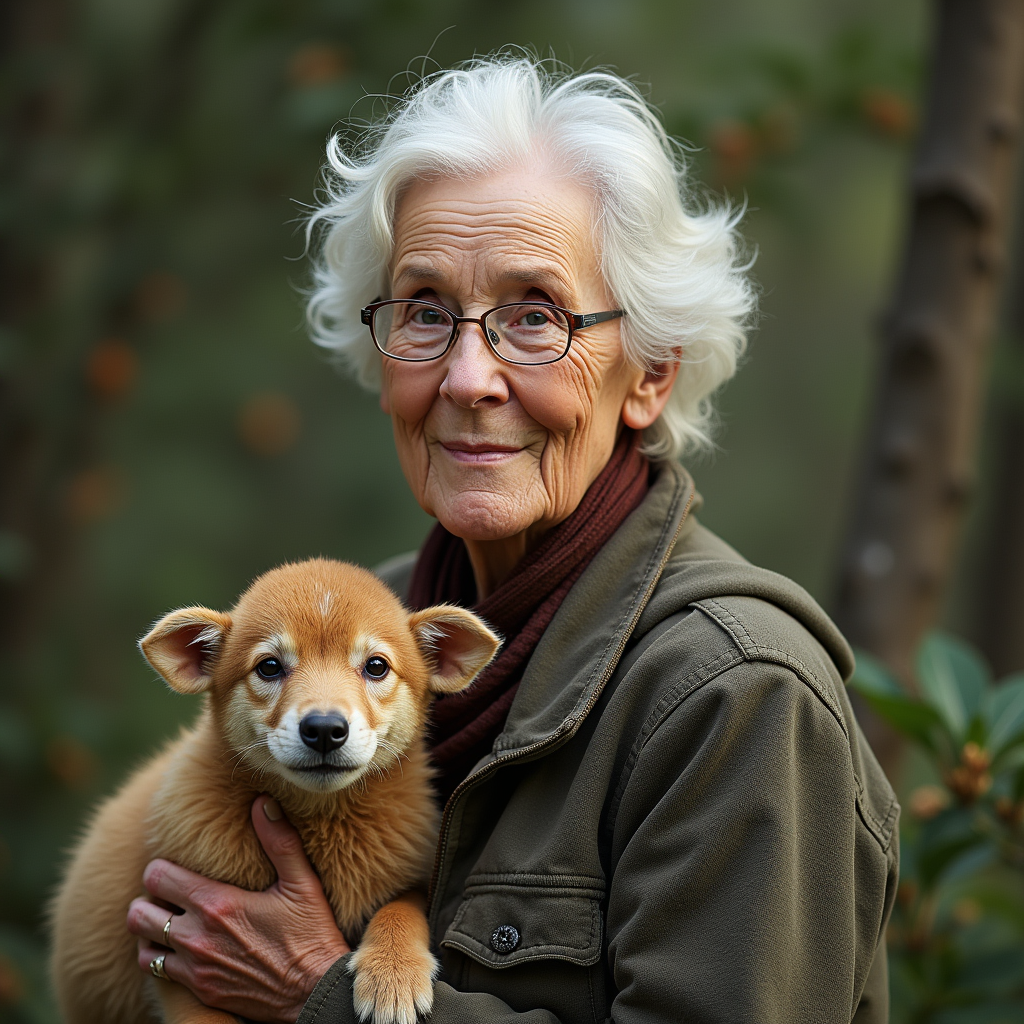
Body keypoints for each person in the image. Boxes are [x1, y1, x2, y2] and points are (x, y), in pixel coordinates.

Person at [126, 56, 899, 1023]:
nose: (466, 377)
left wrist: (315, 996)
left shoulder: (733, 695)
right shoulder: (367, 628)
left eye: (535, 317)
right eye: (425, 312)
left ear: (651, 372)